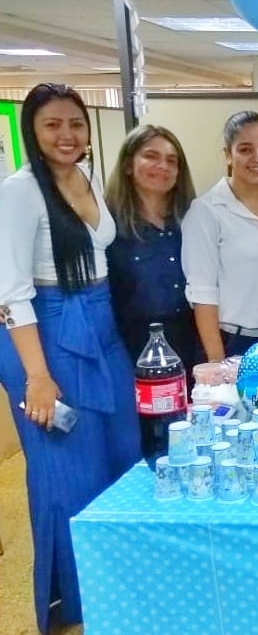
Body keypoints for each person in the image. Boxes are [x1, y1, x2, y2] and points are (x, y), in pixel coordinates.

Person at [0, 83, 140, 633]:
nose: (67, 135)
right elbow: (9, 293)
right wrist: (37, 376)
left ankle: (115, 588)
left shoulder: (84, 177)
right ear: (31, 130)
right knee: (68, 478)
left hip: (101, 329)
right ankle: (72, 606)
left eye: (76, 124)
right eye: (53, 124)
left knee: (120, 457)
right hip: (48, 338)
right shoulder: (20, 190)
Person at [182, 110, 258, 364]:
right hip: (233, 344)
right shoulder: (207, 211)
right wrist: (217, 362)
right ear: (228, 155)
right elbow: (203, 294)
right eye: (245, 149)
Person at [105, 124, 197, 374]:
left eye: (171, 160)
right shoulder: (107, 225)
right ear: (127, 164)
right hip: (134, 349)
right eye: (151, 156)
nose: (163, 166)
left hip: (192, 343)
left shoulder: (193, 219)